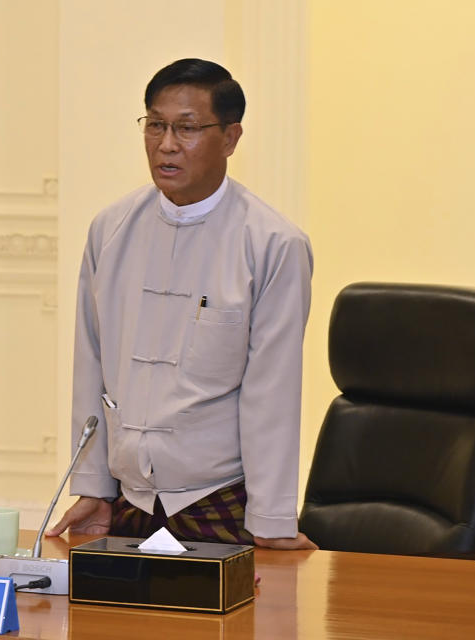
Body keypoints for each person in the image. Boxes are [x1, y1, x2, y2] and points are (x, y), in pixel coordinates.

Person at [46, 58, 316, 550]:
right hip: (129, 501)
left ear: (231, 138)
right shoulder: (110, 230)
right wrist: (92, 486)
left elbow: (272, 395)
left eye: (187, 128)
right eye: (155, 126)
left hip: (220, 501)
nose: (166, 145)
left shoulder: (273, 244)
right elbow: (90, 365)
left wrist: (272, 519)